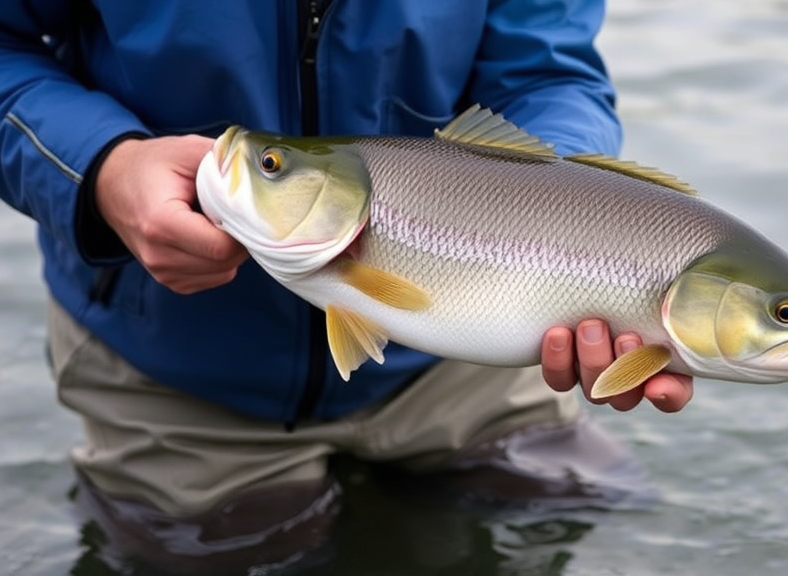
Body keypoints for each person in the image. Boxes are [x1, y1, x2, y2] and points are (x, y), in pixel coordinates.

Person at [1, 0, 693, 572]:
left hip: (467, 360)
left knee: (585, 511)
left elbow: (547, 76)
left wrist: (570, 241)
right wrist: (100, 170)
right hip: (176, 373)